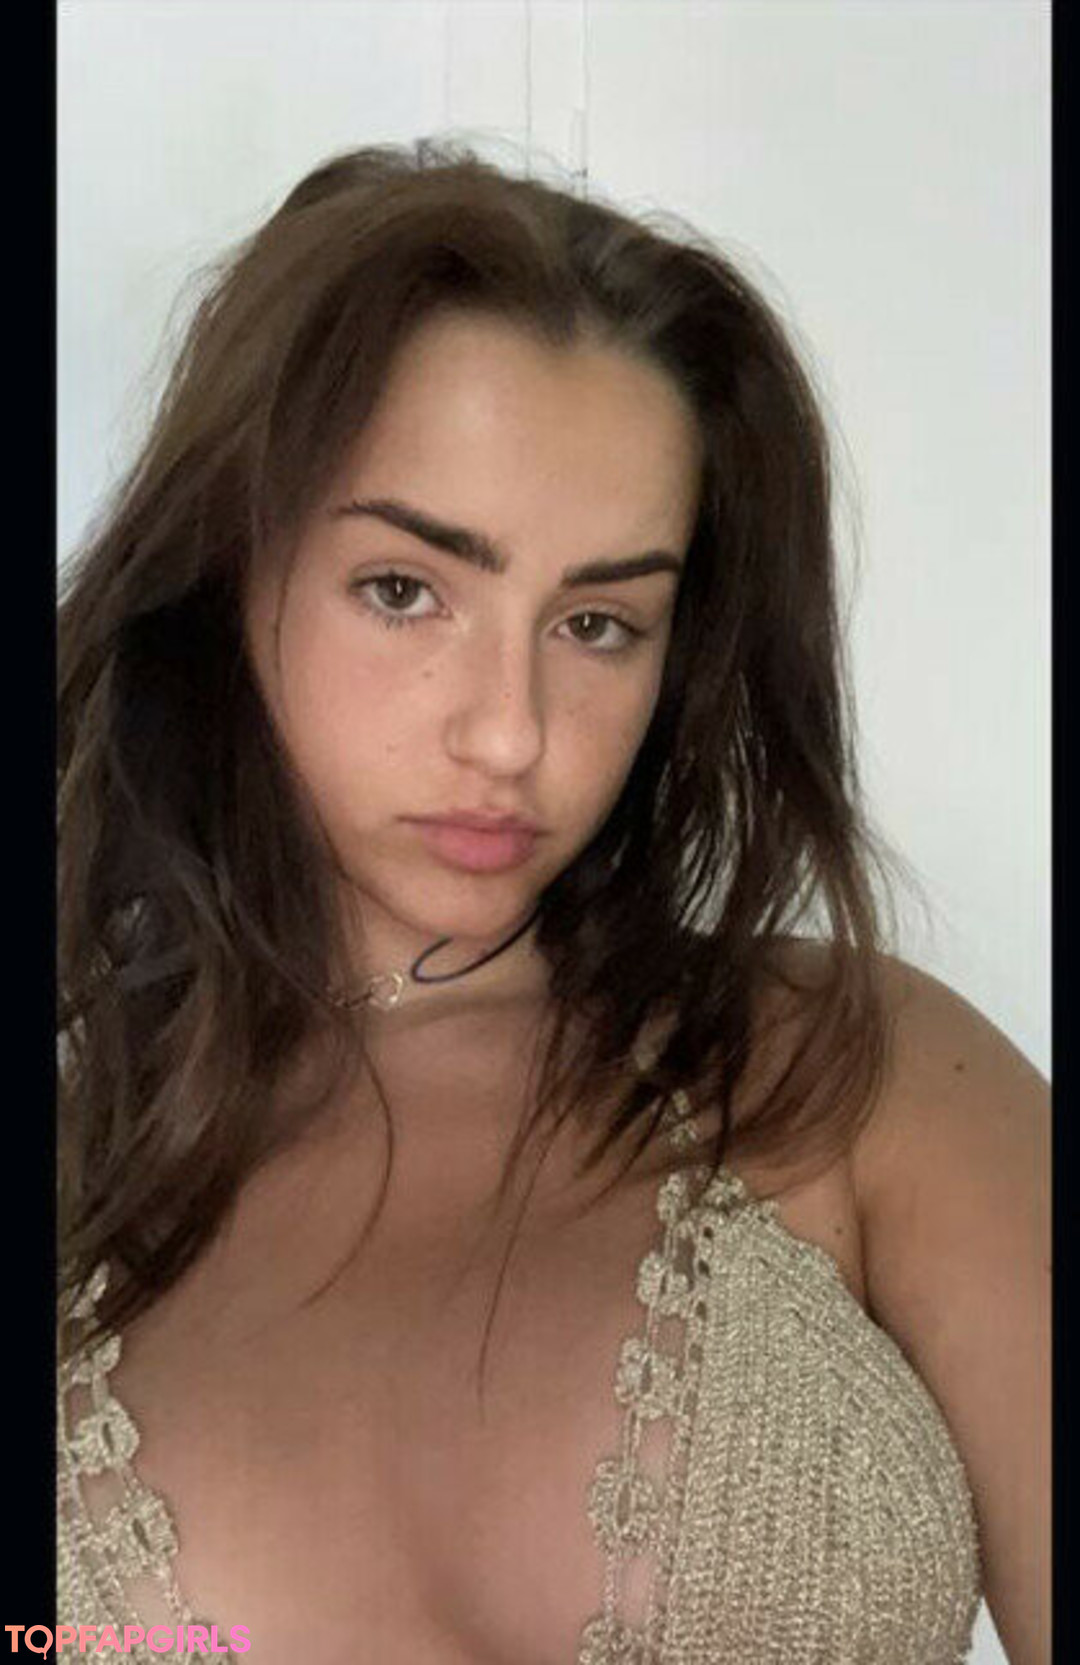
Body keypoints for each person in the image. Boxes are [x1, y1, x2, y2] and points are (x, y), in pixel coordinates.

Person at [56, 140, 1049, 1665]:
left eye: (597, 622)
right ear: (230, 568)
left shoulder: (861, 1075)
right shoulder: (80, 1181)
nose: (511, 731)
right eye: (407, 590)